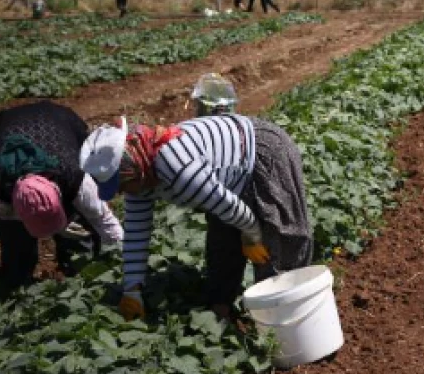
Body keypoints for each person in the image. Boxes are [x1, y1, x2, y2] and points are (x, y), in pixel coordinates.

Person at [80, 113, 313, 320]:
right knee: (222, 244)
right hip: (227, 181)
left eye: (121, 185)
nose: (121, 192)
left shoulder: (177, 166)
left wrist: (251, 236)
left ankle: (285, 316)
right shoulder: (139, 180)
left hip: (262, 152)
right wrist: (132, 290)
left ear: (133, 169)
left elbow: (232, 208)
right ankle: (221, 312)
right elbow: (135, 235)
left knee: (278, 239)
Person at [0, 102, 123, 289]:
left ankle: (78, 270)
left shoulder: (77, 177)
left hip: (59, 122)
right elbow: (11, 218)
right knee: (15, 236)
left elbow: (105, 221)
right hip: (1, 131)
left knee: (77, 226)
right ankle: (17, 281)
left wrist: (122, 259)